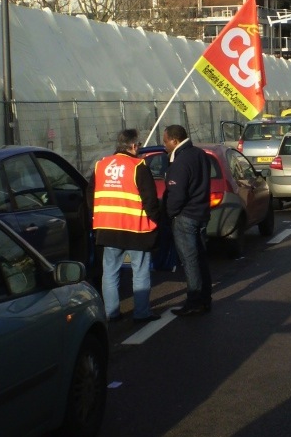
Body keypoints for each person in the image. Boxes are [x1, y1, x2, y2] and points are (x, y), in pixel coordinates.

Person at [90, 128, 160, 323]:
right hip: (136, 228)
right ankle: (141, 312)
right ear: (133, 145)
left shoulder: (100, 165)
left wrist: (96, 219)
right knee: (140, 272)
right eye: (138, 145)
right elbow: (150, 199)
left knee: (110, 273)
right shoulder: (138, 166)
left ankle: (111, 313)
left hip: (107, 228)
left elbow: (90, 196)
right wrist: (156, 221)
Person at [163, 123, 213, 315]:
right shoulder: (200, 155)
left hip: (186, 216)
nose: (164, 145)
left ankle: (194, 301)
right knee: (200, 258)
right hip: (201, 213)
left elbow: (176, 194)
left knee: (189, 261)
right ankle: (205, 298)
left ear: (174, 141)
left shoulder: (180, 161)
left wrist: (171, 213)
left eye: (166, 141)